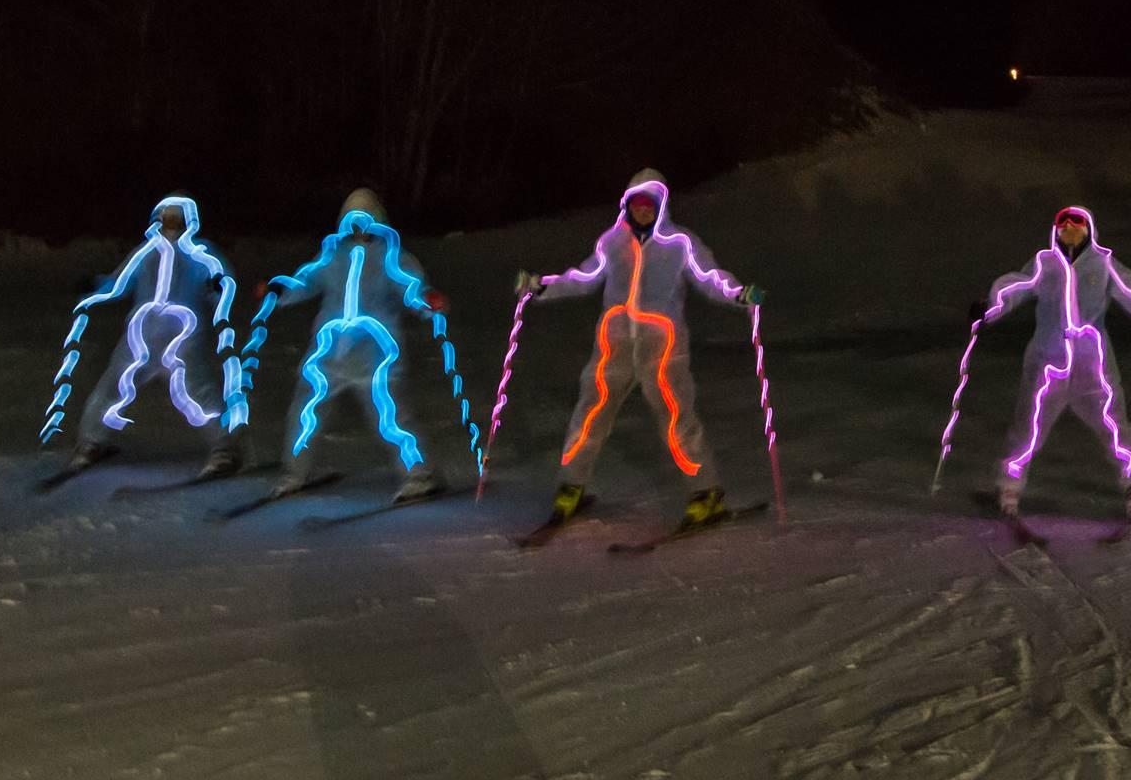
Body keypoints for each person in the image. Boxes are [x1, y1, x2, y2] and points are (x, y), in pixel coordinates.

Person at [517, 171, 761, 530]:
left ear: (660, 207)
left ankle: (705, 491)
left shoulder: (680, 243)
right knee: (589, 415)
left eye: (650, 206)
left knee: (677, 418)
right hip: (614, 343)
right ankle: (572, 486)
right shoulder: (612, 241)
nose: (644, 211)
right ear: (627, 205)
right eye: (638, 205)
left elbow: (710, 277)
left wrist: (739, 294)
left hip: (661, 346)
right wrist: (542, 287)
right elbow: (583, 277)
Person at [239, 189, 465, 500]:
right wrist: (279, 290)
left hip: (375, 356)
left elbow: (412, 289)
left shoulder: (392, 257)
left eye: (366, 221)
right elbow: (306, 281)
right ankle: (294, 473)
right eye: (353, 222)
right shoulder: (334, 255)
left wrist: (428, 302)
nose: (359, 229)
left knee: (392, 418)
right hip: (329, 354)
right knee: (305, 412)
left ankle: (419, 475)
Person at [971, 205, 1131, 521]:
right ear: (1056, 229)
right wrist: (988, 308)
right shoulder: (1045, 263)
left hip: (1093, 364)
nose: (1070, 227)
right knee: (1029, 425)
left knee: (1113, 424)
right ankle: (1009, 485)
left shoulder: (1103, 263)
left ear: (1089, 228)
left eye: (1078, 222)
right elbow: (1015, 287)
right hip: (1048, 362)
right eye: (1064, 222)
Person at [45, 195, 243, 477]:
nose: (171, 225)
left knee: (198, 394)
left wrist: (219, 287)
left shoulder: (202, 253)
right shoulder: (147, 252)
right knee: (113, 387)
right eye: (167, 218)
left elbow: (223, 281)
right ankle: (91, 443)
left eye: (177, 218)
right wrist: (94, 285)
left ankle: (224, 449)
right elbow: (119, 283)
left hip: (182, 338)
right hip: (142, 336)